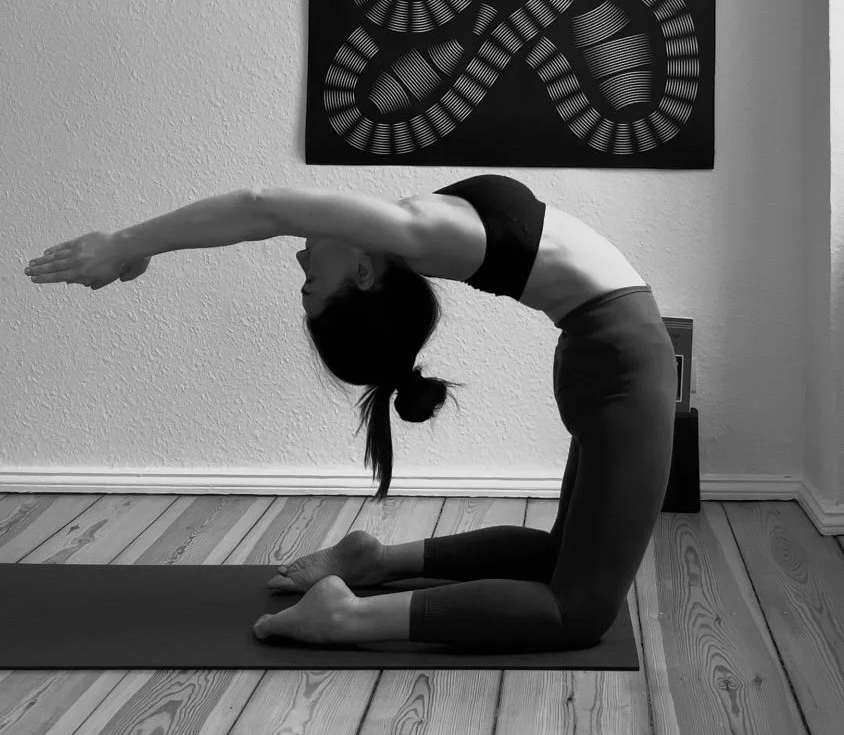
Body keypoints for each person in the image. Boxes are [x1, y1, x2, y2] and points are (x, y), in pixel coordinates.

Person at [23, 175, 677, 652]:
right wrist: (127, 244)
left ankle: (374, 562)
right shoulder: (421, 235)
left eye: (305, 284)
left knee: (556, 558)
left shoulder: (417, 232)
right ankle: (348, 618)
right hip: (623, 360)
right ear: (363, 274)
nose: (301, 259)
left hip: (609, 355)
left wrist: (132, 246)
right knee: (579, 613)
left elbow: (266, 208)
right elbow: (263, 208)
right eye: (312, 285)